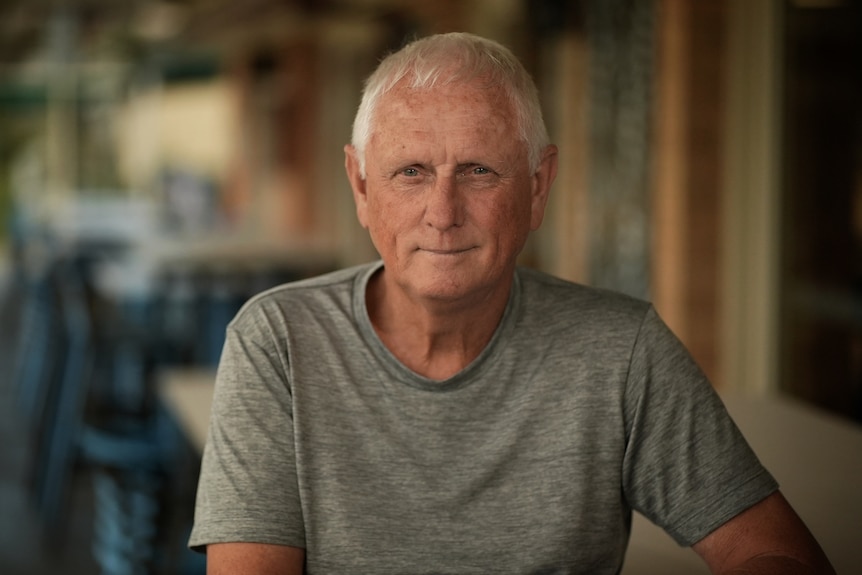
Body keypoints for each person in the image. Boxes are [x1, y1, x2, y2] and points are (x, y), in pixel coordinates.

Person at [189, 32, 835, 574]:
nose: (442, 214)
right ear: (361, 185)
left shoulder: (619, 350)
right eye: (411, 171)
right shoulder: (276, 343)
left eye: (478, 171)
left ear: (537, 186)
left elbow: (777, 552)